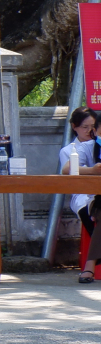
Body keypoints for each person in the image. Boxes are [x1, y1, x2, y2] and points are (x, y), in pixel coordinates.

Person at [58, 108, 101, 282]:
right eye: (87, 128)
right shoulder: (83, 147)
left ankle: (90, 265)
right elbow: (67, 170)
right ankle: (90, 265)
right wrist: (92, 171)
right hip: (89, 196)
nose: (89, 132)